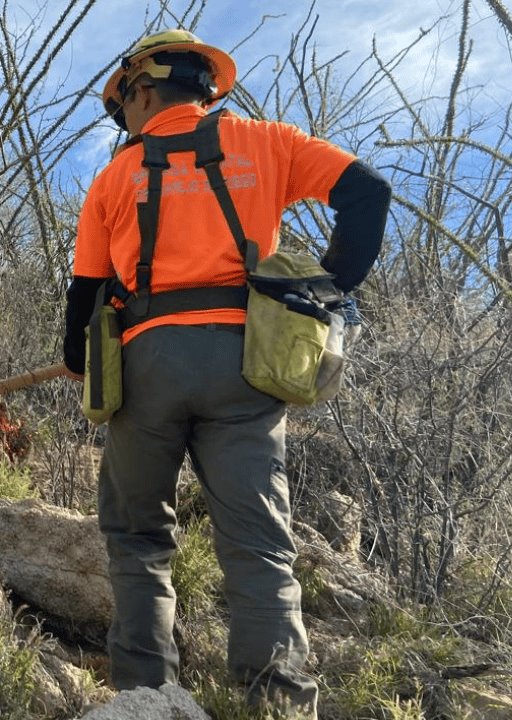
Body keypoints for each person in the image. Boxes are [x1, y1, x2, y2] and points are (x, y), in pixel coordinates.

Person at [62, 29, 391, 714]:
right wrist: (327, 289)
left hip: (147, 369)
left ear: (143, 89)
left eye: (122, 107)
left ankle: (147, 700)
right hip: (247, 368)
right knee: (258, 545)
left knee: (138, 537)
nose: (123, 120)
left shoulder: (112, 180)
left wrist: (80, 358)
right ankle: (279, 702)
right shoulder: (267, 143)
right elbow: (369, 193)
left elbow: (82, 312)